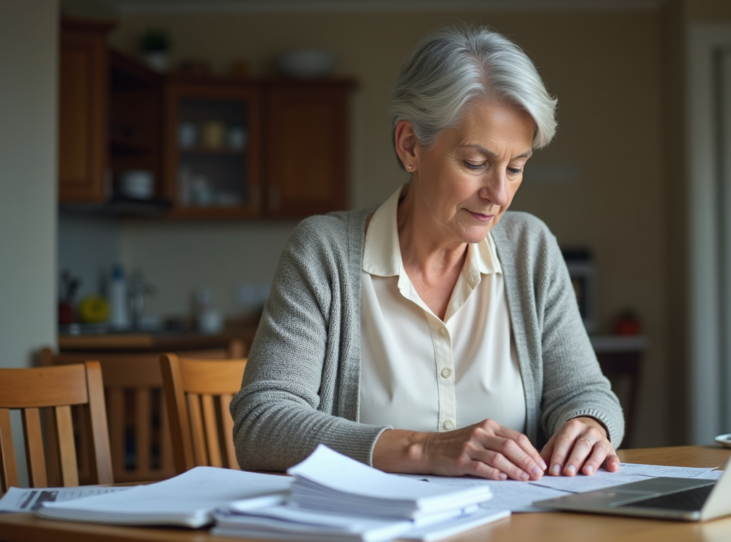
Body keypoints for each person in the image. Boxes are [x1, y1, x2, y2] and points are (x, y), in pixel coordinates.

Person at [231, 26, 624, 482]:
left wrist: (588, 425)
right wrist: (425, 448)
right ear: (410, 146)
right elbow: (262, 424)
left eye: (516, 167)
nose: (499, 193)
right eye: (476, 163)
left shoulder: (530, 249)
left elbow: (585, 392)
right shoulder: (323, 252)